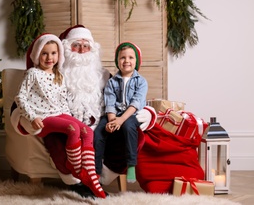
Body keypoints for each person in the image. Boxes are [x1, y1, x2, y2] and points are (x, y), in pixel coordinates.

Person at [42, 26, 156, 196]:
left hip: (100, 124)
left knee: (130, 133)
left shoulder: (104, 76)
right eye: (76, 46)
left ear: (92, 50)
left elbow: (125, 99)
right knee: (56, 136)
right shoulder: (55, 75)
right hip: (69, 127)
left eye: (86, 46)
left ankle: (99, 178)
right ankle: (77, 182)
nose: (81, 50)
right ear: (67, 49)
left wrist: (148, 112)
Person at [14, 33, 106, 199]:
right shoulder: (33, 74)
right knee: (72, 130)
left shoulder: (59, 75)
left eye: (53, 53)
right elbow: (20, 97)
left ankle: (90, 175)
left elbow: (62, 101)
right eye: (45, 53)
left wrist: (68, 116)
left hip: (59, 113)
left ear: (59, 55)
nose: (49, 58)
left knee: (87, 131)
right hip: (43, 118)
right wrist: (32, 117)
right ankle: (78, 170)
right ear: (37, 55)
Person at [94, 42, 147, 184]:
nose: (127, 61)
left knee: (129, 127)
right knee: (98, 132)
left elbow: (136, 103)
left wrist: (121, 120)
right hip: (114, 115)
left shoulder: (141, 82)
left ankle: (131, 165)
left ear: (136, 61)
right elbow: (109, 102)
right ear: (118, 61)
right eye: (123, 58)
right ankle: (96, 170)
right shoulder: (112, 81)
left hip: (130, 115)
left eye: (131, 57)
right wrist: (112, 120)